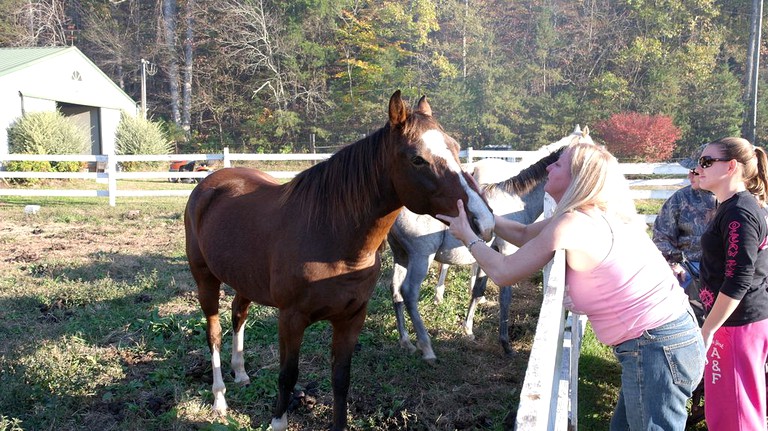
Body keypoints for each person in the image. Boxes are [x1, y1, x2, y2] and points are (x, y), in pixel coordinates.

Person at [437, 140, 705, 430]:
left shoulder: (575, 223)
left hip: (656, 347)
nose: (548, 168)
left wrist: (468, 237)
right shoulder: (588, 214)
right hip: (663, 341)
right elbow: (524, 233)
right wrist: (481, 212)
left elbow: (504, 272)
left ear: (577, 178)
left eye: (558, 164)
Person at [694, 136, 768, 431]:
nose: (699, 169)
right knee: (725, 412)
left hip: (737, 326)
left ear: (731, 167)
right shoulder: (731, 207)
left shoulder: (740, 212)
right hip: (729, 323)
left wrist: (708, 330)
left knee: (736, 416)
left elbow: (739, 279)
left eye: (706, 162)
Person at [652, 145, 716, 324]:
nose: (690, 176)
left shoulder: (736, 200)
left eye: (694, 172)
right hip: (689, 274)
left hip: (728, 275)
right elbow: (660, 237)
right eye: (691, 171)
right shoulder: (680, 199)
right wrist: (674, 264)